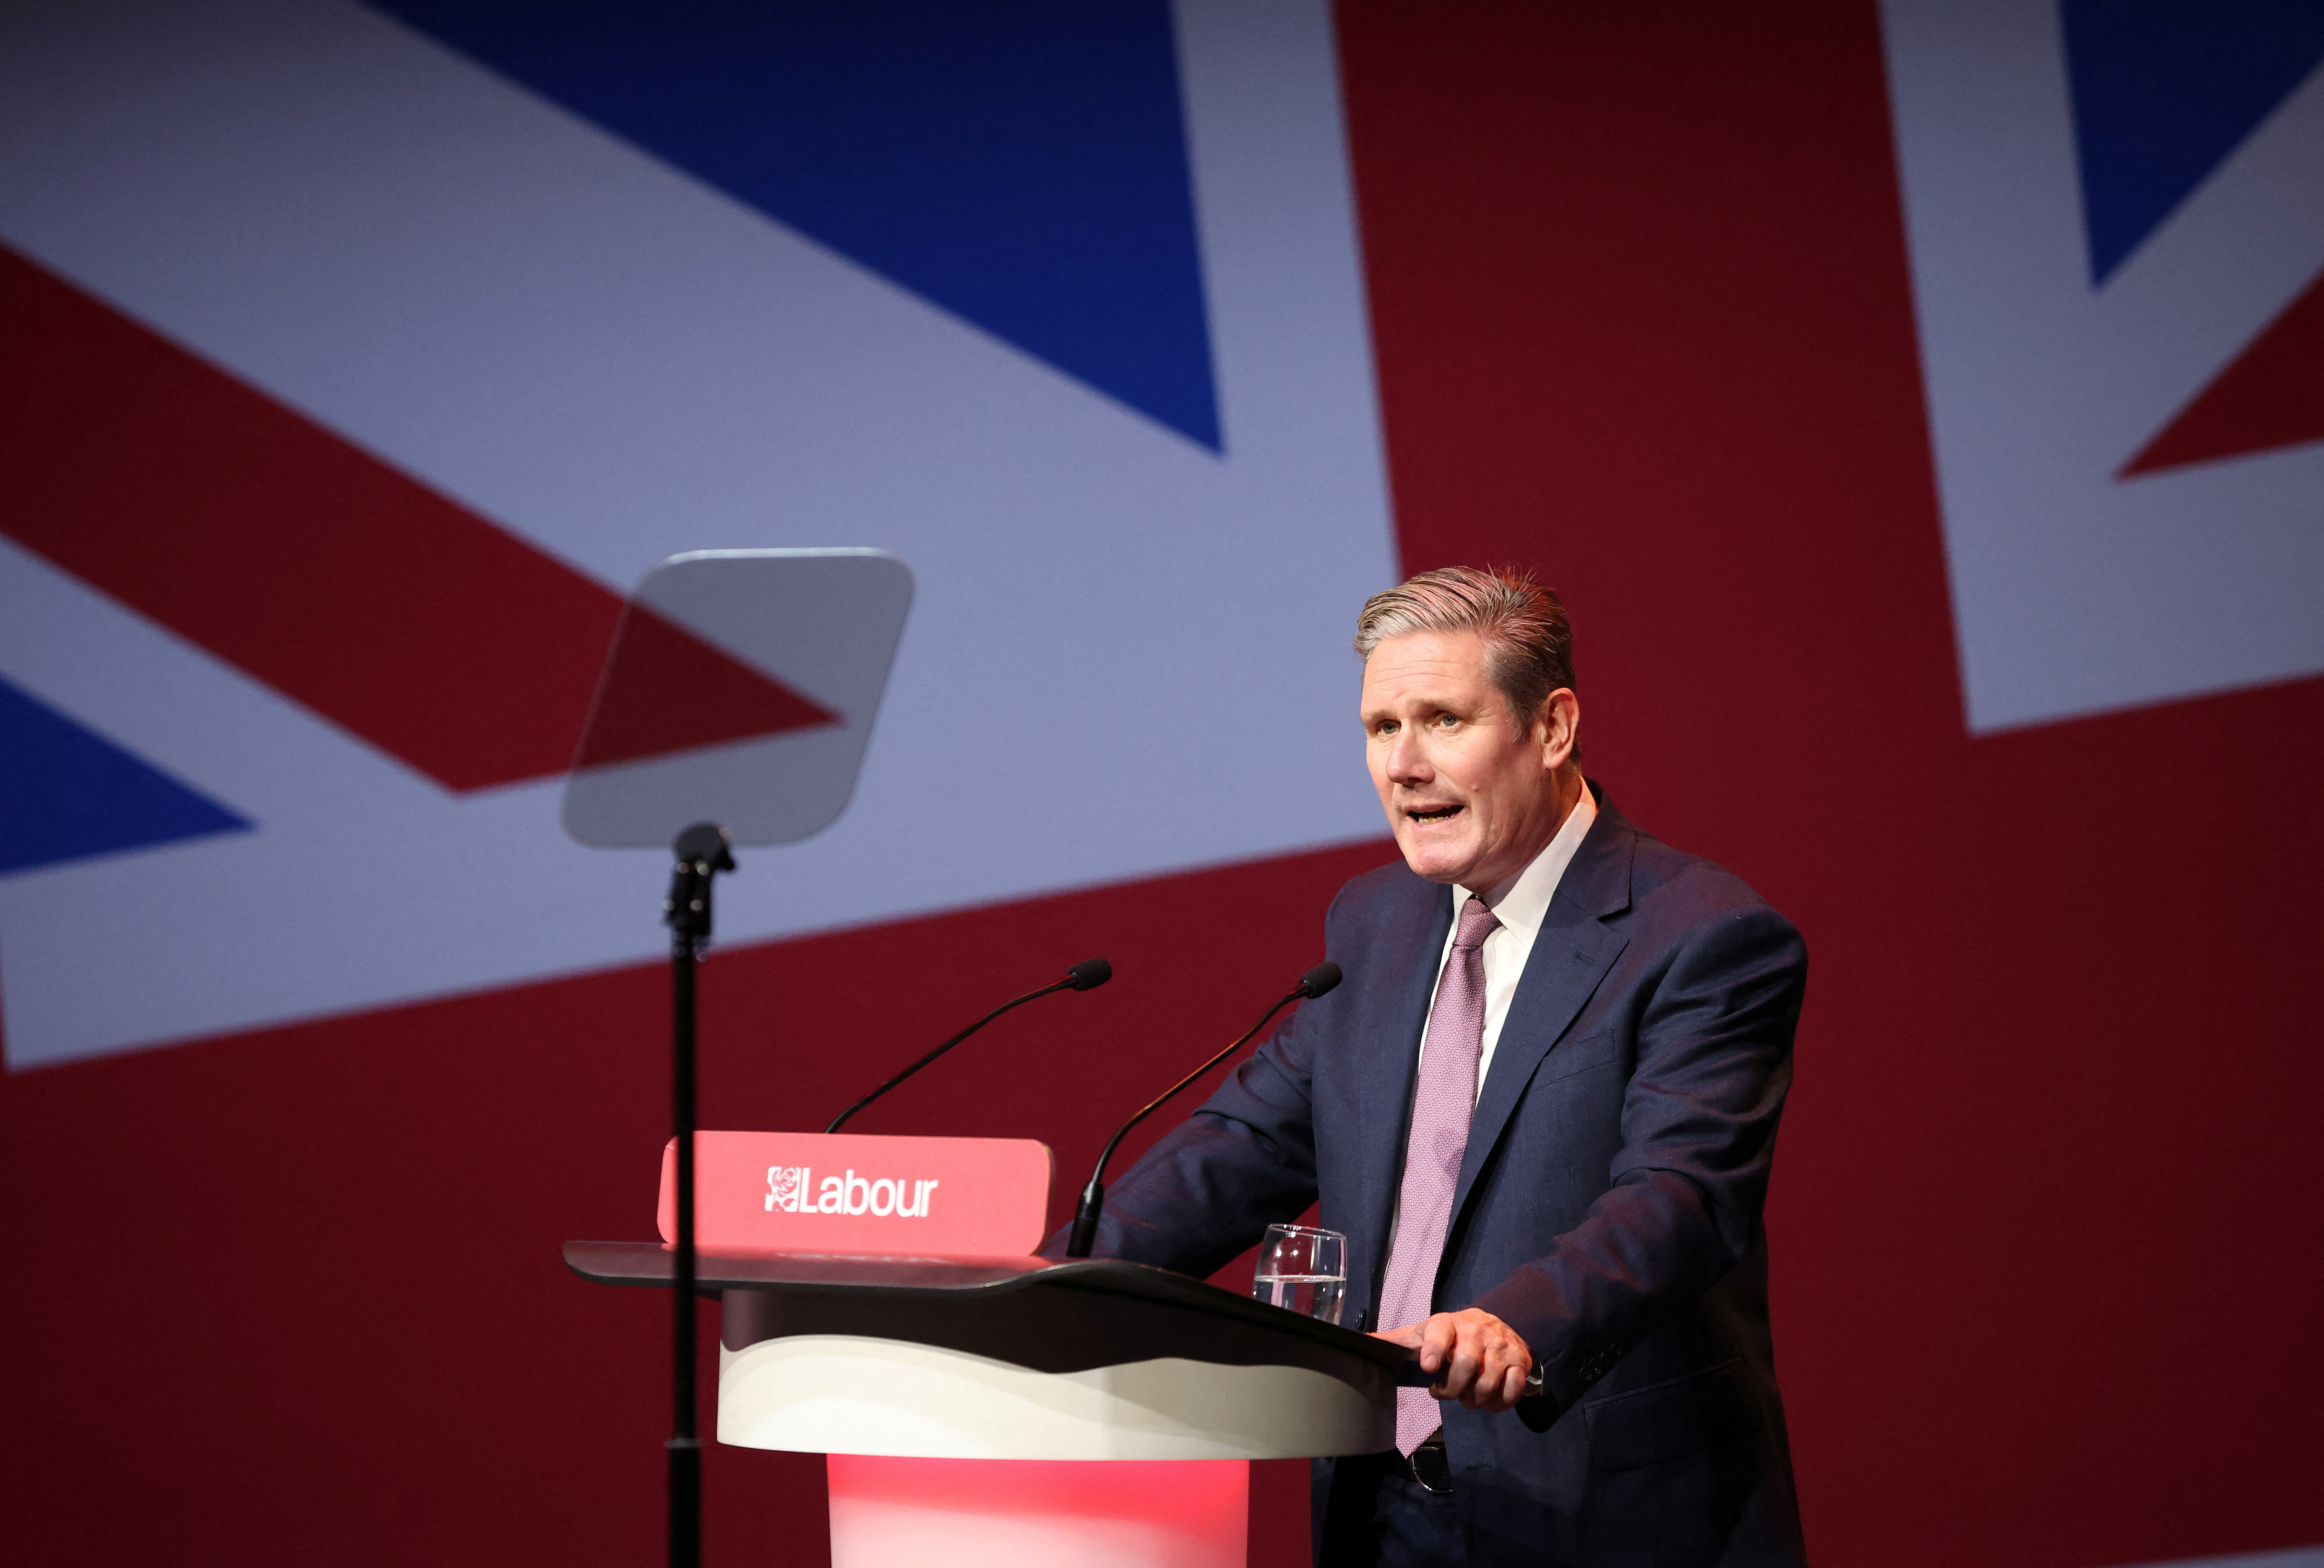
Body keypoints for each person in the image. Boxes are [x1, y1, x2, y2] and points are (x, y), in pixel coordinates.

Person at [1054, 567, 1809, 1565]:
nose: (1403, 765)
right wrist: (1041, 1280)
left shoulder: (1699, 934)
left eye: (1443, 720)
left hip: (1597, 1506)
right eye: (1379, 728)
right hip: (1382, 1504)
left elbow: (1678, 1195)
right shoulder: (1373, 922)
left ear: (1551, 729)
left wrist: (1518, 1322)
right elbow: (1241, 1143)